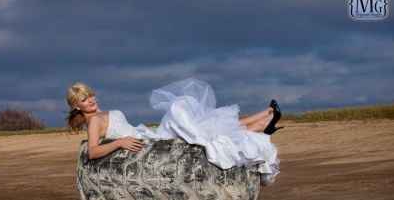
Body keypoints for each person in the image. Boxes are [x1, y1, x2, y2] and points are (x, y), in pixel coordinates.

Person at [66, 78, 282, 178]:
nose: (91, 100)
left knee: (204, 123)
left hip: (149, 134)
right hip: (152, 143)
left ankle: (264, 118)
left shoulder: (101, 114)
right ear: (77, 105)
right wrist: (119, 143)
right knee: (183, 111)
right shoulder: (94, 122)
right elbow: (93, 151)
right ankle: (264, 120)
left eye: (90, 95)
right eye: (85, 99)